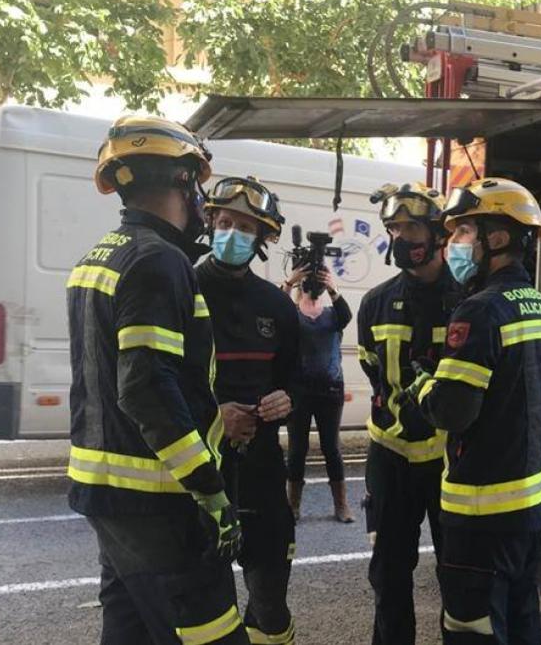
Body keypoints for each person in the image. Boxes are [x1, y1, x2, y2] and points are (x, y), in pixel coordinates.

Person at [67, 115, 250, 644]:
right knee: (212, 634)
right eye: (199, 184)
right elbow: (146, 388)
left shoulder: (98, 257)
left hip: (109, 497)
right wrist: (209, 489)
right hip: (159, 500)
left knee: (130, 631)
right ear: (182, 180)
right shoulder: (159, 261)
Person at [407, 178, 541, 645]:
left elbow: (453, 411)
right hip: (532, 506)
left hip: (481, 513)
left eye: (462, 233)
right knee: (520, 620)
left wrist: (422, 386)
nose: (451, 244)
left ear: (496, 238)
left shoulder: (479, 311)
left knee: (472, 629)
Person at [196, 176, 301, 645]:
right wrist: (216, 416)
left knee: (270, 602)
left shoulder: (276, 305)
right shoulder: (183, 287)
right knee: (203, 607)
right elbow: (157, 388)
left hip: (260, 471)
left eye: (245, 227)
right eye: (224, 222)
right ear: (210, 222)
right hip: (198, 471)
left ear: (262, 239)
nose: (232, 234)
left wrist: (287, 399)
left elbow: (294, 379)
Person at [357, 182, 462, 645]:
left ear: (439, 232)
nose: (401, 237)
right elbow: (373, 370)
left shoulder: (469, 301)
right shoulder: (375, 302)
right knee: (389, 575)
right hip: (391, 458)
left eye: (412, 226)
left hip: (451, 461)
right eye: (394, 227)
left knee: (458, 575)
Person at [283, 264, 353, 523]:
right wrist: (290, 283)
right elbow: (278, 311)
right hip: (298, 391)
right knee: (297, 450)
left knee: (331, 448)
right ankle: (293, 506)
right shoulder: (292, 314)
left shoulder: (332, 314)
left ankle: (342, 505)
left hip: (330, 390)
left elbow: (346, 316)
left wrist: (334, 289)